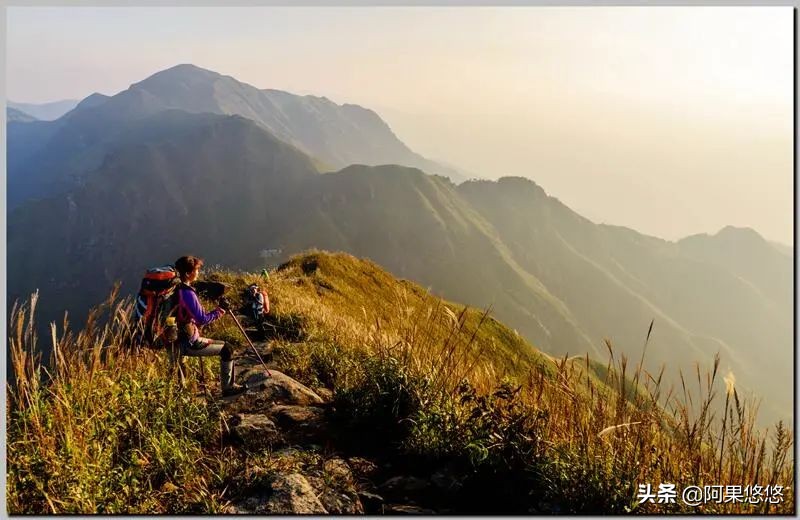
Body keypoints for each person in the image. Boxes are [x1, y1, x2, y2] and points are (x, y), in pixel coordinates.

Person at [172, 255, 246, 397]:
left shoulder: (175, 290)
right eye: (196, 270)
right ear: (188, 273)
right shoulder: (187, 293)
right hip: (189, 342)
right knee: (227, 349)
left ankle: (182, 400)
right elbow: (202, 319)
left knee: (180, 378)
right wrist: (220, 310)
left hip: (174, 341)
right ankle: (228, 388)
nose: (198, 273)